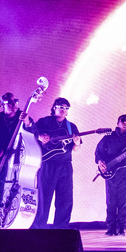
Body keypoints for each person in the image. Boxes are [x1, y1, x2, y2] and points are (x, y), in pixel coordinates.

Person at [0, 93, 31, 229]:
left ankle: (11, 223)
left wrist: (28, 123)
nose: (13, 105)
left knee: (15, 192)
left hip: (17, 163)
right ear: (2, 105)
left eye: (15, 102)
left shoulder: (23, 117)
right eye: (9, 103)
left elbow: (34, 134)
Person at [31, 97, 80, 229]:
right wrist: (39, 136)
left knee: (65, 198)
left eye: (66, 108)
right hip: (47, 163)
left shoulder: (71, 127)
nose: (64, 110)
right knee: (44, 197)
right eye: (61, 107)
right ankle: (38, 228)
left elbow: (75, 148)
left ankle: (61, 227)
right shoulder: (44, 121)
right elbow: (30, 132)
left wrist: (76, 143)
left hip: (65, 165)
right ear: (54, 107)